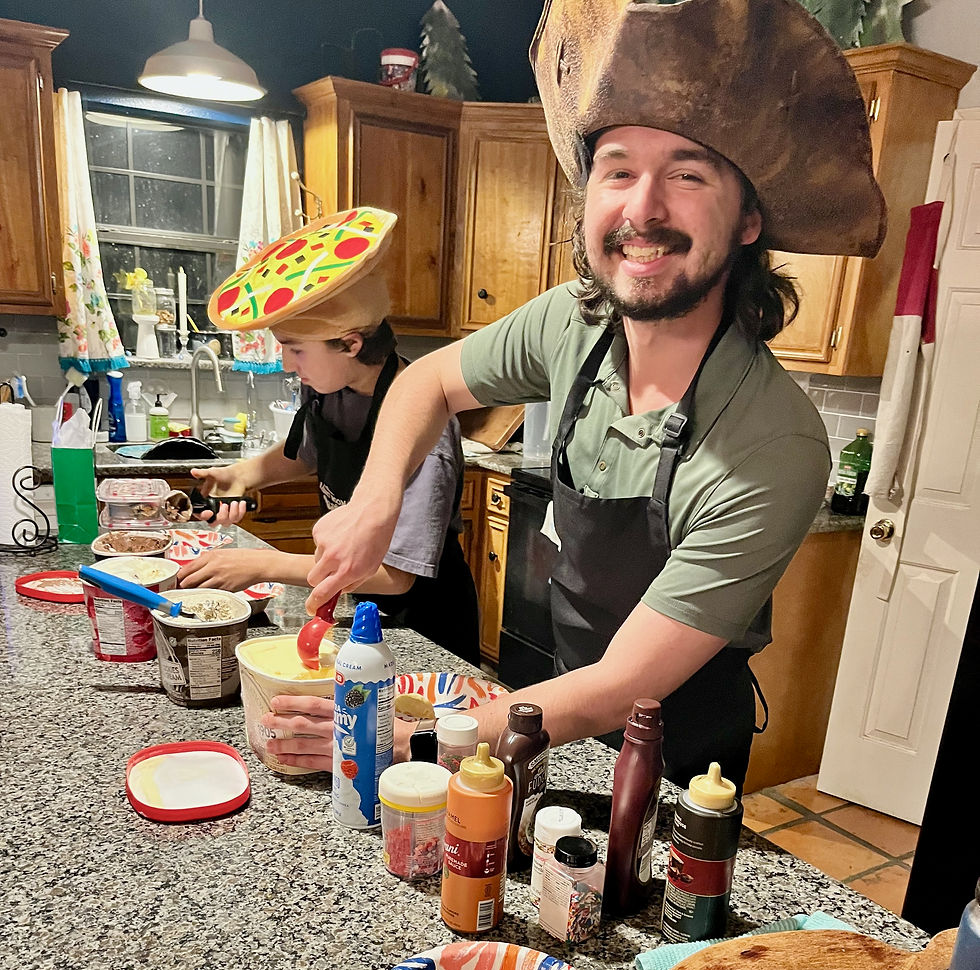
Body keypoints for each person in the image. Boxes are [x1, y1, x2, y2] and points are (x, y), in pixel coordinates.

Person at [302, 0, 886, 791]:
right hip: (551, 708)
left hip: (673, 760)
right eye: (617, 170)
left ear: (749, 218)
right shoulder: (571, 321)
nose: (643, 208)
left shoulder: (772, 443)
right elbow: (426, 380)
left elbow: (620, 688)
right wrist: (376, 504)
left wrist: (411, 736)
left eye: (687, 173)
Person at [188, 206, 480, 668]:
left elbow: (396, 575)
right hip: (356, 604)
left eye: (295, 349)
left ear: (350, 343)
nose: (287, 364)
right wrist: (242, 475)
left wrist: (262, 565)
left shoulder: (429, 433)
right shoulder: (331, 389)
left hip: (423, 624)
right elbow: (309, 454)